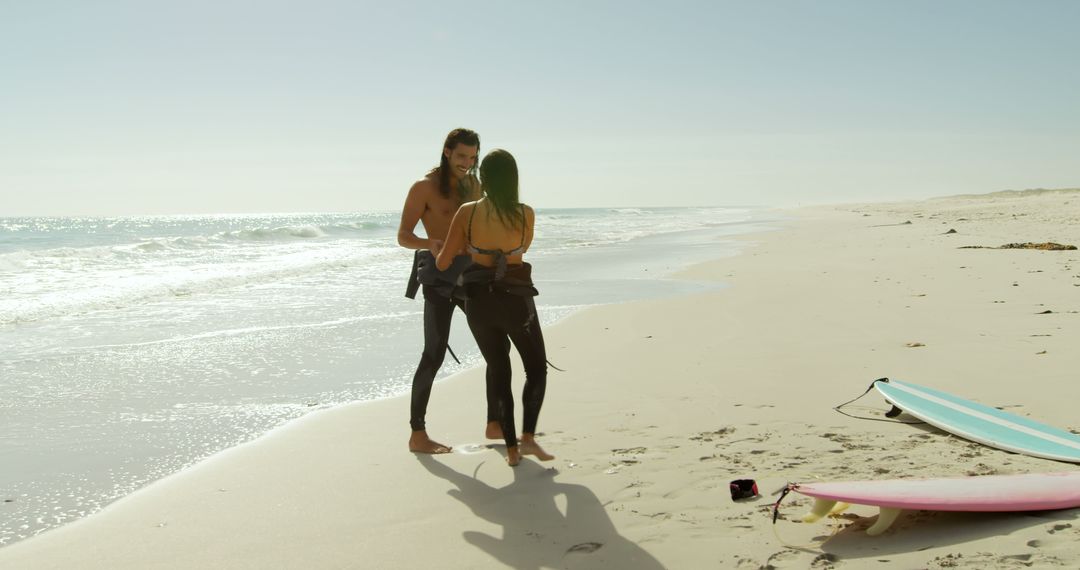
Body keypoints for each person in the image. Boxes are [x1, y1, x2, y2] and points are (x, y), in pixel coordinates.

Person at [436, 149, 553, 466]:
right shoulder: (525, 213)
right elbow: (522, 248)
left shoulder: (467, 212)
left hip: (479, 303)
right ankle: (528, 438)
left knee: (500, 371)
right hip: (515, 300)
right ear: (514, 179)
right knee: (536, 368)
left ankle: (512, 450)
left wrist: (464, 247)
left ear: (482, 179)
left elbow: (444, 260)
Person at [398, 128, 500, 454]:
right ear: (446, 152)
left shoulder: (475, 185)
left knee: (495, 347)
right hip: (440, 280)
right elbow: (403, 236)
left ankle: (495, 422)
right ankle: (418, 434)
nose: (467, 164)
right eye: (461, 157)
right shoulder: (423, 188)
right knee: (433, 354)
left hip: (472, 277)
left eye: (472, 158)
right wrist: (430, 242)